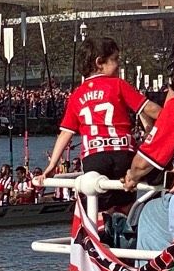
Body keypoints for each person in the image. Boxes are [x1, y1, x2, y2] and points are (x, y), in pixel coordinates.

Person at [41, 35, 158, 184]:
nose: (119, 64)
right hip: (123, 153)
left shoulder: (77, 95)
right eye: (115, 59)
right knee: (126, 200)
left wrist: (52, 165)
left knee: (97, 201)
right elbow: (149, 109)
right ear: (99, 62)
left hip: (94, 157)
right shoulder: (118, 84)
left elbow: (65, 133)